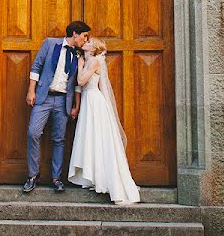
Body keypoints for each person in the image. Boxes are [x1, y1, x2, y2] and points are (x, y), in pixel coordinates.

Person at [68, 36, 140, 205]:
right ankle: (92, 177)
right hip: (87, 102)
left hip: (94, 102)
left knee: (98, 139)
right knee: (90, 139)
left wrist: (79, 66)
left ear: (93, 49)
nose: (85, 42)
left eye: (88, 42)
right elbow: (80, 86)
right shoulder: (88, 60)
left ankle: (104, 179)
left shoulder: (93, 62)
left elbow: (81, 81)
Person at [23, 20, 90, 194]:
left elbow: (76, 83)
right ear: (75, 33)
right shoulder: (50, 43)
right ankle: (32, 175)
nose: (85, 40)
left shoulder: (79, 54)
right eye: (84, 36)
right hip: (44, 98)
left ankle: (56, 178)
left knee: (59, 139)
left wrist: (76, 105)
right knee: (33, 132)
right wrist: (31, 90)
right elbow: (36, 66)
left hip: (63, 101)